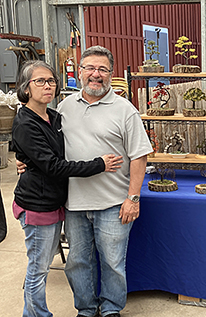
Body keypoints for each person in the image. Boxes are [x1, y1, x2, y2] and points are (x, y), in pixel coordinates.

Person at [12, 60, 123, 317]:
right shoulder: (26, 122)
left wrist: (23, 156)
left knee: (44, 264)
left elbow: (54, 150)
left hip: (56, 201)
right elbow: (53, 166)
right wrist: (99, 164)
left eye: (51, 80)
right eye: (39, 81)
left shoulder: (52, 116)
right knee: (38, 270)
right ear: (26, 88)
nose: (47, 86)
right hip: (37, 205)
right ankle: (36, 314)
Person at [58, 46, 152, 317]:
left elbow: (139, 156)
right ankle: (86, 310)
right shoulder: (64, 107)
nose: (95, 75)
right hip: (74, 202)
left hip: (113, 203)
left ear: (111, 74)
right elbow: (49, 148)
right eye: (89, 68)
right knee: (77, 262)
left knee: (112, 262)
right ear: (80, 72)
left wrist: (132, 198)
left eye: (102, 69)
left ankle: (111, 309)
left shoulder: (125, 110)